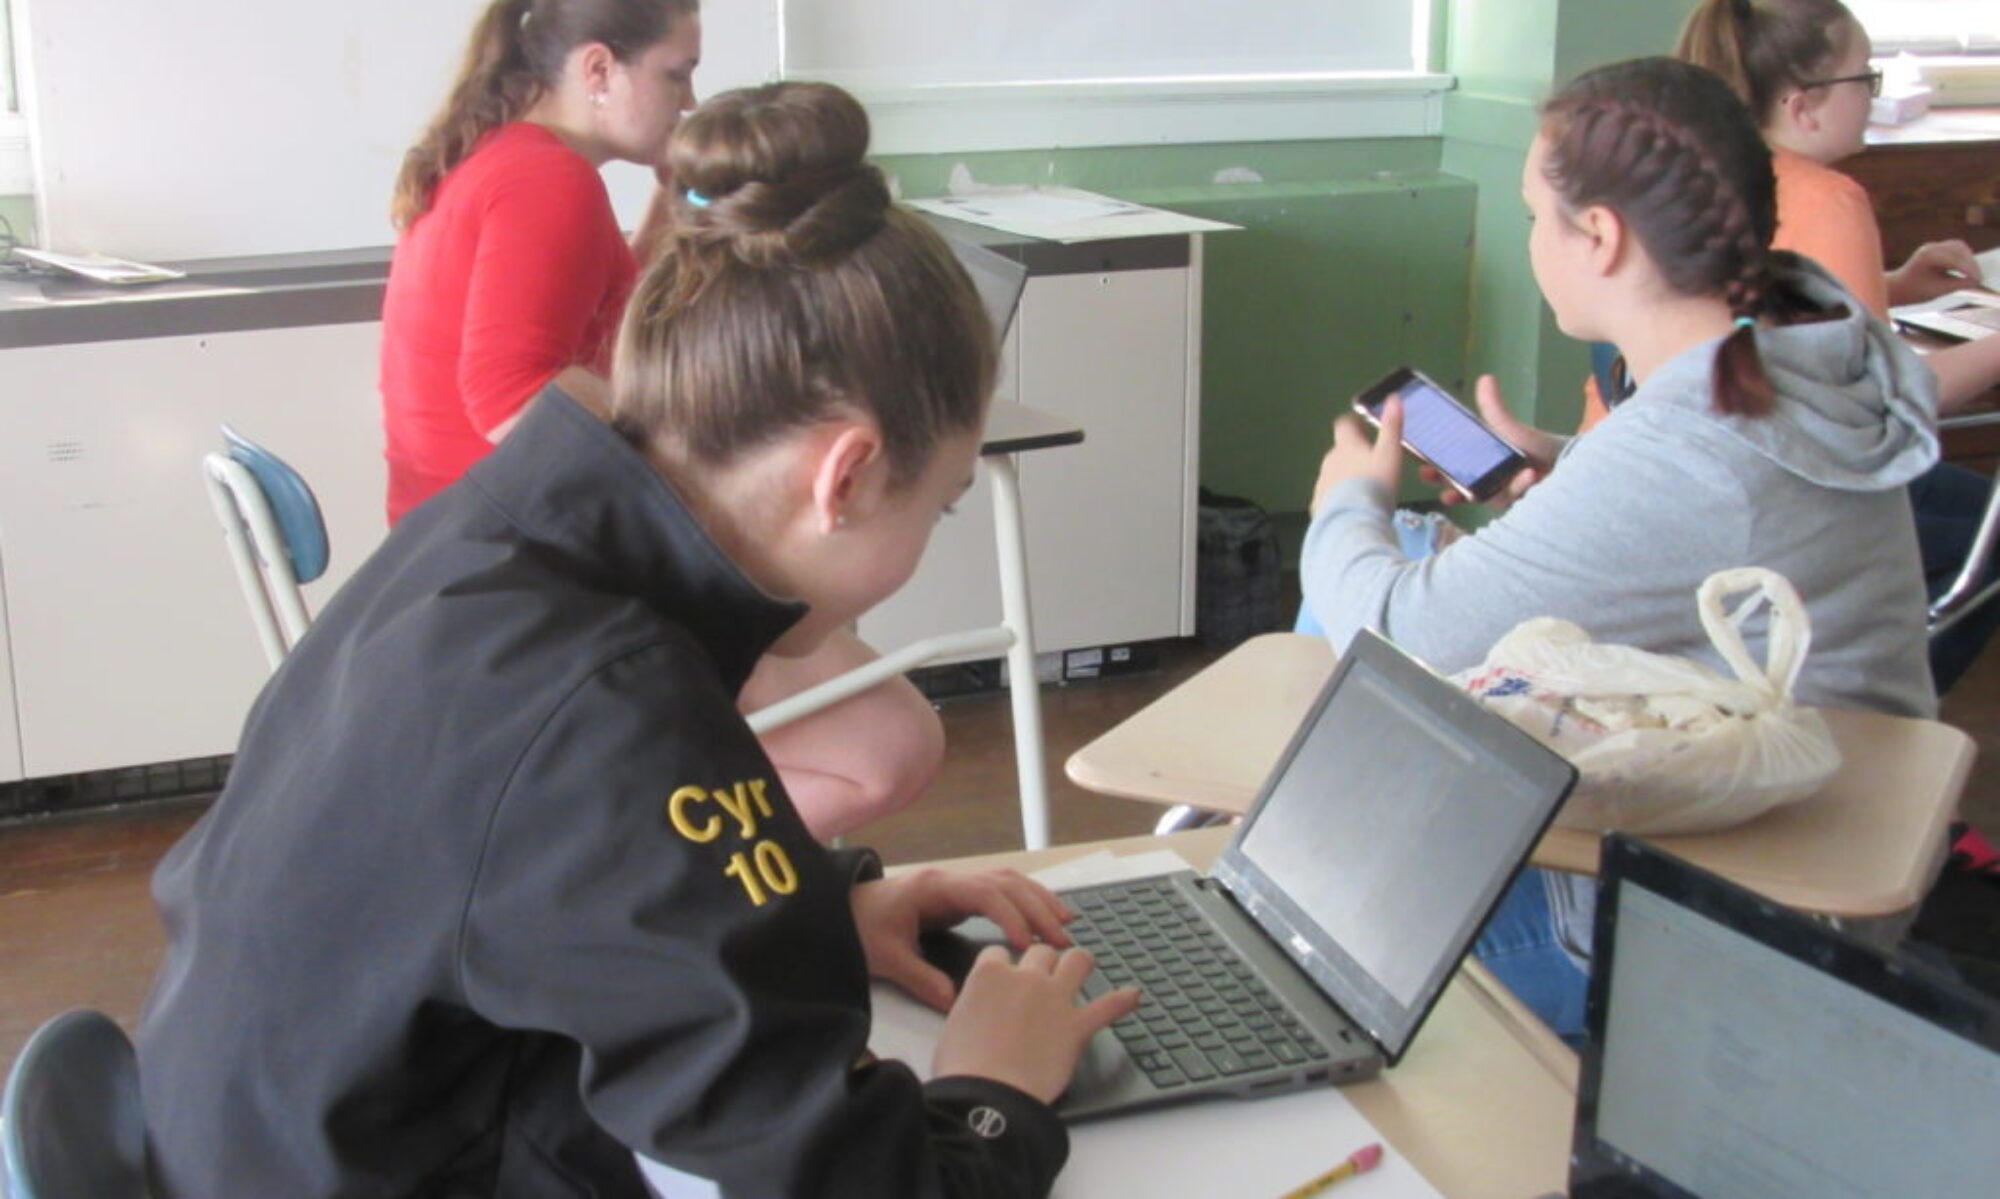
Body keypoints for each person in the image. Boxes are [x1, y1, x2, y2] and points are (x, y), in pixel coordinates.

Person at [139, 82, 1139, 1197]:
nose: (925, 542)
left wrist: (820, 911)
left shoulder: (506, 525)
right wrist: (995, 1093)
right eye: (939, 504)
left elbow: (569, 895)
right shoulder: (612, 708)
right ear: (844, 476)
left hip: (261, 1129)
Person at [1302, 57, 1938, 1039]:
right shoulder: (1787, 350)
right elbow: (1701, 515)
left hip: (1713, 942)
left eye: (1529, 215)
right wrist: (1570, 465)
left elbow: (1393, 632)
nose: (1527, 242)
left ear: (1596, 236)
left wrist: (1345, 504)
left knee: (1306, 908)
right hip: (1799, 854)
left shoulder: (1688, 452)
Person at [381, 0, 944, 841]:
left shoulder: (511, 159)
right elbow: (505, 398)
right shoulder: (547, 183)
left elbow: (594, 325)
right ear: (599, 69)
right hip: (535, 580)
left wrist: (660, 224)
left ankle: (649, 847)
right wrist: (705, 453)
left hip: (462, 549)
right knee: (890, 747)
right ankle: (636, 864)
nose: (688, 101)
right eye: (676, 73)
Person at [1673, 0, 2000, 692]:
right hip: (1781, 489)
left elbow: (1762, 311)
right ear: (1804, 104)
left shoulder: (1704, 169)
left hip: (1689, 461)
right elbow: (1885, 412)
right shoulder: (1827, 197)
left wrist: (1894, 285)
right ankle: (1876, 724)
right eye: (1866, 79)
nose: (1873, 95)